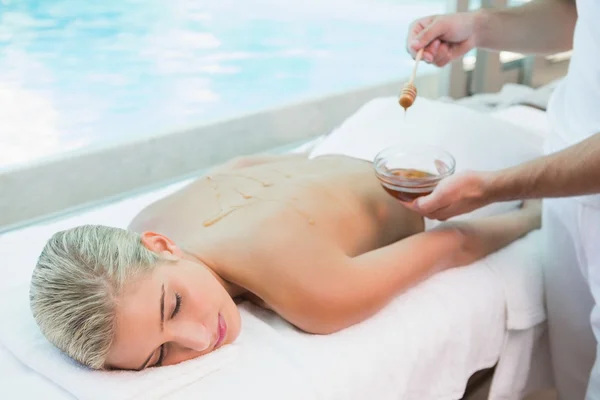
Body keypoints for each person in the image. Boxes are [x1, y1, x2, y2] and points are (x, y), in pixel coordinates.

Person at [29, 151, 540, 371]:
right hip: (328, 162)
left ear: (161, 247)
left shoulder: (314, 297)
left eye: (175, 305)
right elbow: (240, 167)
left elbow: (451, 245)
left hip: (411, 179)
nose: (196, 339)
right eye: (159, 357)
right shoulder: (148, 219)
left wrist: (532, 216)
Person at [405, 1, 600, 399]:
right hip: (563, 177)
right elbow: (579, 13)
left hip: (570, 177)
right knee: (575, 382)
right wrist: (479, 29)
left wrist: (494, 190)